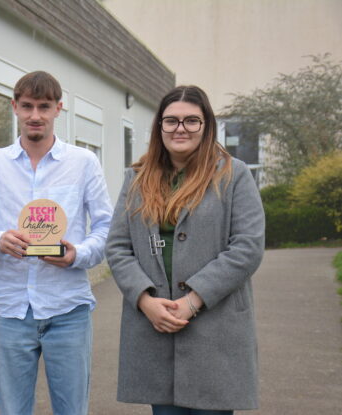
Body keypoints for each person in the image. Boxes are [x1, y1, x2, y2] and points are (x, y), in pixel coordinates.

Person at [105, 85, 265, 415]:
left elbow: (247, 248)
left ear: (206, 126)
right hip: (155, 324)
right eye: (171, 121)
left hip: (215, 327)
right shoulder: (136, 179)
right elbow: (119, 247)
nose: (180, 128)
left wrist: (193, 300)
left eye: (192, 120)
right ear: (159, 127)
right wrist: (144, 300)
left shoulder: (234, 175)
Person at [0, 70, 112, 415]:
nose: (35, 116)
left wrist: (77, 254)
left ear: (59, 109)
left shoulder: (83, 163)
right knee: (13, 410)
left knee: (72, 410)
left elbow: (106, 228)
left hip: (68, 309)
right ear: (14, 107)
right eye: (27, 106)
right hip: (11, 309)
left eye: (44, 107)